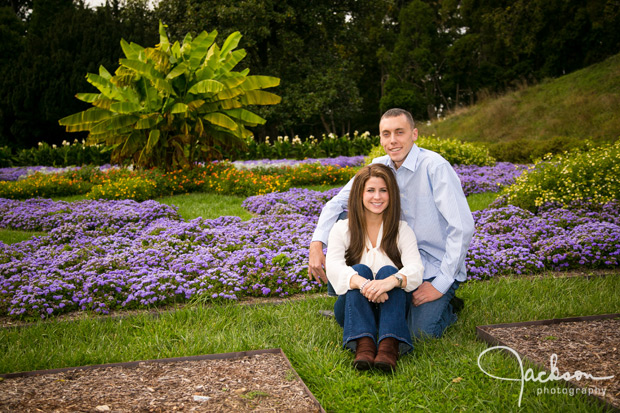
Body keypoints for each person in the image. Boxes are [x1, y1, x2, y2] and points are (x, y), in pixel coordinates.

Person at [310, 108, 475, 340]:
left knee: (419, 334)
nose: (393, 140)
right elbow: (336, 204)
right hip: (392, 262)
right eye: (386, 134)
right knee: (344, 219)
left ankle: (449, 304)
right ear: (380, 138)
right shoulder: (379, 166)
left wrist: (440, 285)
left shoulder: (435, 167)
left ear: (414, 134)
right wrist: (316, 244)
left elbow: (462, 228)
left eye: (400, 132)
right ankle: (352, 300)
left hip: (434, 267)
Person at [326, 163, 424, 372]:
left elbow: (416, 268)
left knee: (391, 272)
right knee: (358, 270)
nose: (377, 197)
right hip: (352, 308)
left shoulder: (401, 230)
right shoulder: (341, 229)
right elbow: (333, 267)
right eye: (370, 190)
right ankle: (364, 345)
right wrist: (365, 285)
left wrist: (390, 282)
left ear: (391, 194)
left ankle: (389, 347)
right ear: (359, 194)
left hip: (392, 306)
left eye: (383, 190)